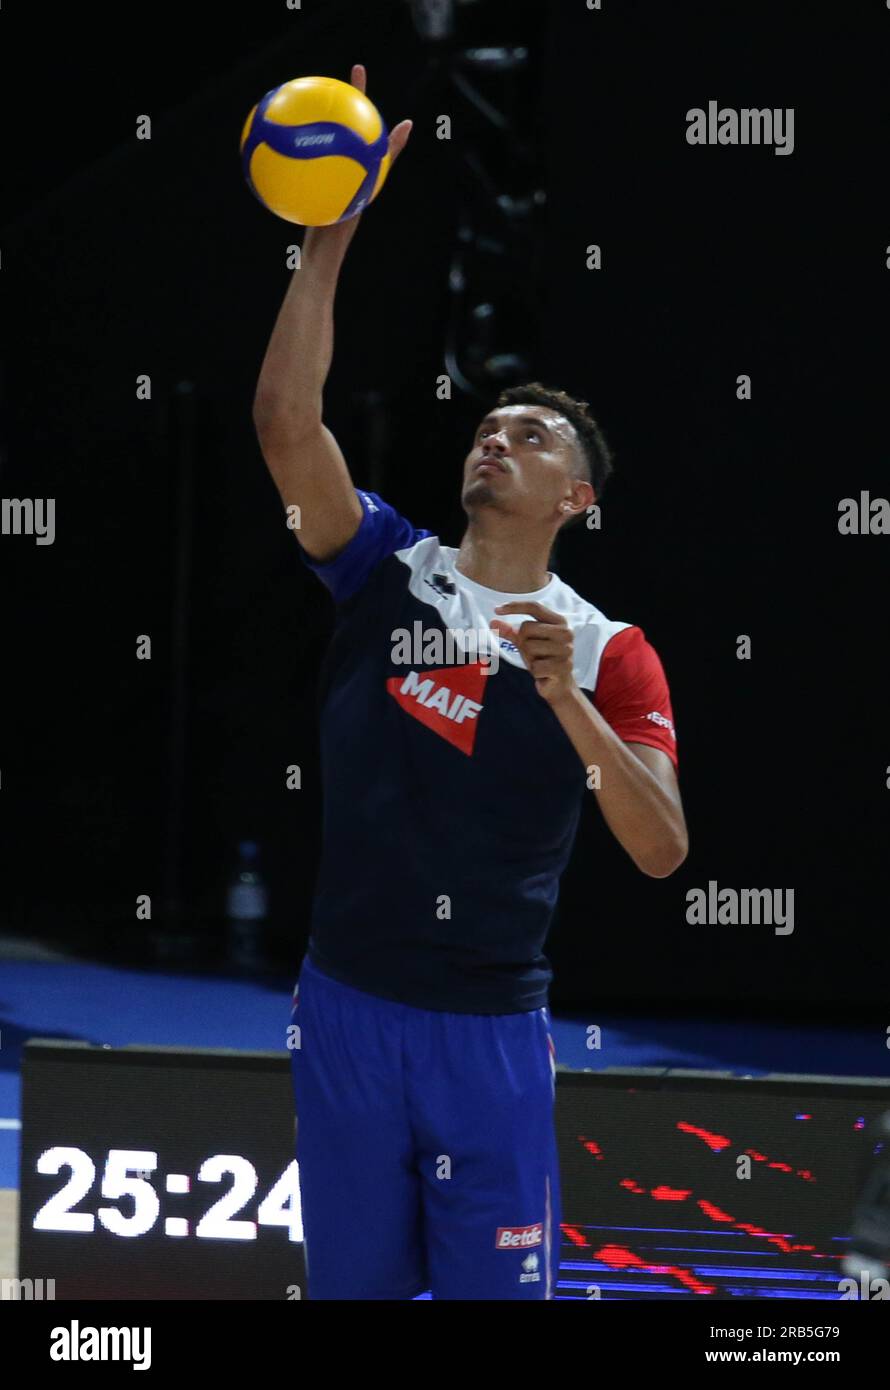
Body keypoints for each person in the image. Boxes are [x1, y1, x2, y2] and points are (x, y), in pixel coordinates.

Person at [253, 65, 688, 1299]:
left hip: (488, 1037)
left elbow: (661, 849)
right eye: (487, 425)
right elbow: (288, 423)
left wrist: (565, 703)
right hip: (344, 1010)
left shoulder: (609, 651)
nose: (496, 436)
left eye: (532, 436)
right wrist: (327, 244)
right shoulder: (385, 565)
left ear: (576, 500)